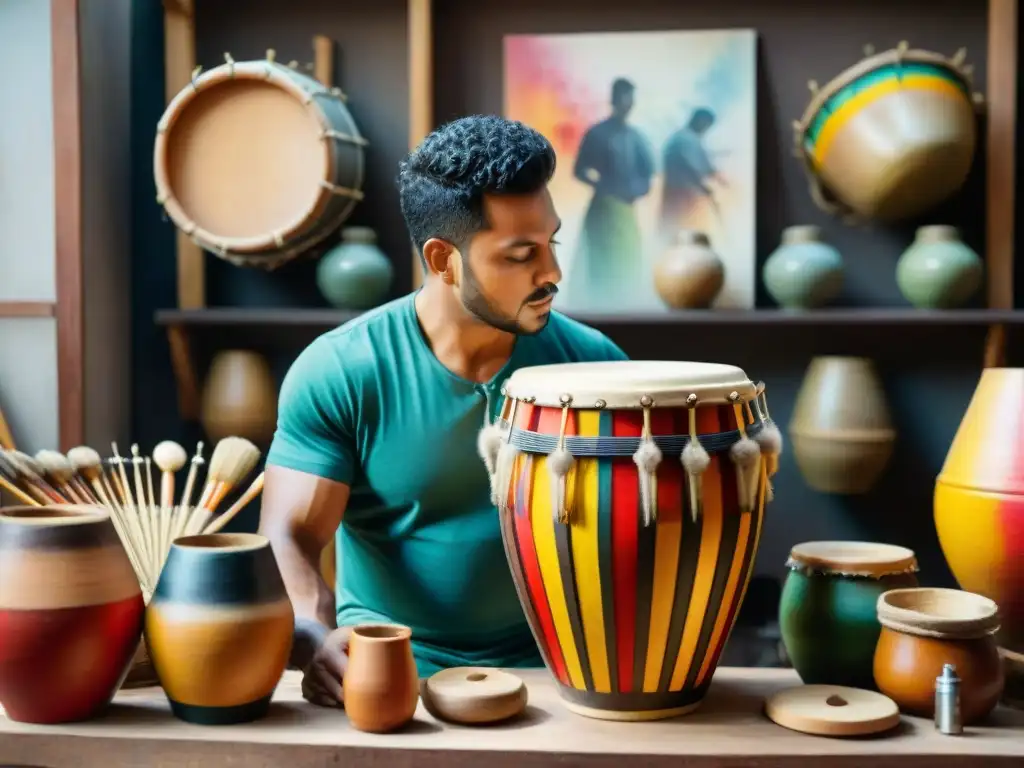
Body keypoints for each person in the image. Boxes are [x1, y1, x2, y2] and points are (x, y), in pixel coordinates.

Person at [259, 114, 628, 708]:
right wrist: (313, 635)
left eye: (552, 242)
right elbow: (291, 535)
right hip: (393, 672)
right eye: (520, 255)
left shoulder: (594, 370)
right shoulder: (343, 371)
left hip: (563, 676)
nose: (552, 273)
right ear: (443, 259)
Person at [570, 77, 655, 306]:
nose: (627, 104)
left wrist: (637, 190)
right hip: (603, 209)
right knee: (599, 263)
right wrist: (602, 185)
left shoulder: (637, 138)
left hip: (626, 210)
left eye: (631, 99)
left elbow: (648, 174)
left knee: (628, 262)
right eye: (623, 98)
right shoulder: (597, 133)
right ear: (614, 100)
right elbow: (579, 170)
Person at [659, 108, 725, 241]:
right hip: (680, 195)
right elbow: (690, 168)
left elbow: (706, 166)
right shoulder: (683, 139)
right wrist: (703, 187)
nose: (706, 129)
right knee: (681, 231)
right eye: (707, 125)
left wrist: (720, 179)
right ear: (700, 121)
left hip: (688, 196)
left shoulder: (692, 139)